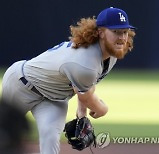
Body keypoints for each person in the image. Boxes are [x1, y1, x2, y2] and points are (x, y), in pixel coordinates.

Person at [2, 7, 136, 154]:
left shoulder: (111, 55)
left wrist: (81, 114)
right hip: (22, 84)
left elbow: (85, 85)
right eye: (116, 32)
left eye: (124, 31)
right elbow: (88, 95)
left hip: (54, 99)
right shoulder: (84, 62)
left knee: (50, 139)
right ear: (101, 32)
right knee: (5, 135)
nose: (122, 37)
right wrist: (103, 109)